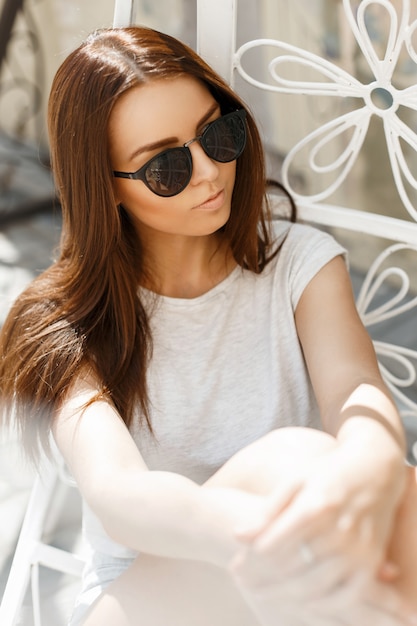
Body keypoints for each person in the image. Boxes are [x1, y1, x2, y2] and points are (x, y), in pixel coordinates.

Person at [0, 26, 416, 626]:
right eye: (165, 166)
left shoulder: (301, 265)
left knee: (395, 489)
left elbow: (355, 390)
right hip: (152, 596)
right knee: (295, 460)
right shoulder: (66, 324)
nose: (208, 172)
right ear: (105, 189)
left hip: (305, 570)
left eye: (218, 135)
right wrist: (262, 535)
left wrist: (366, 476)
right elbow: (120, 497)